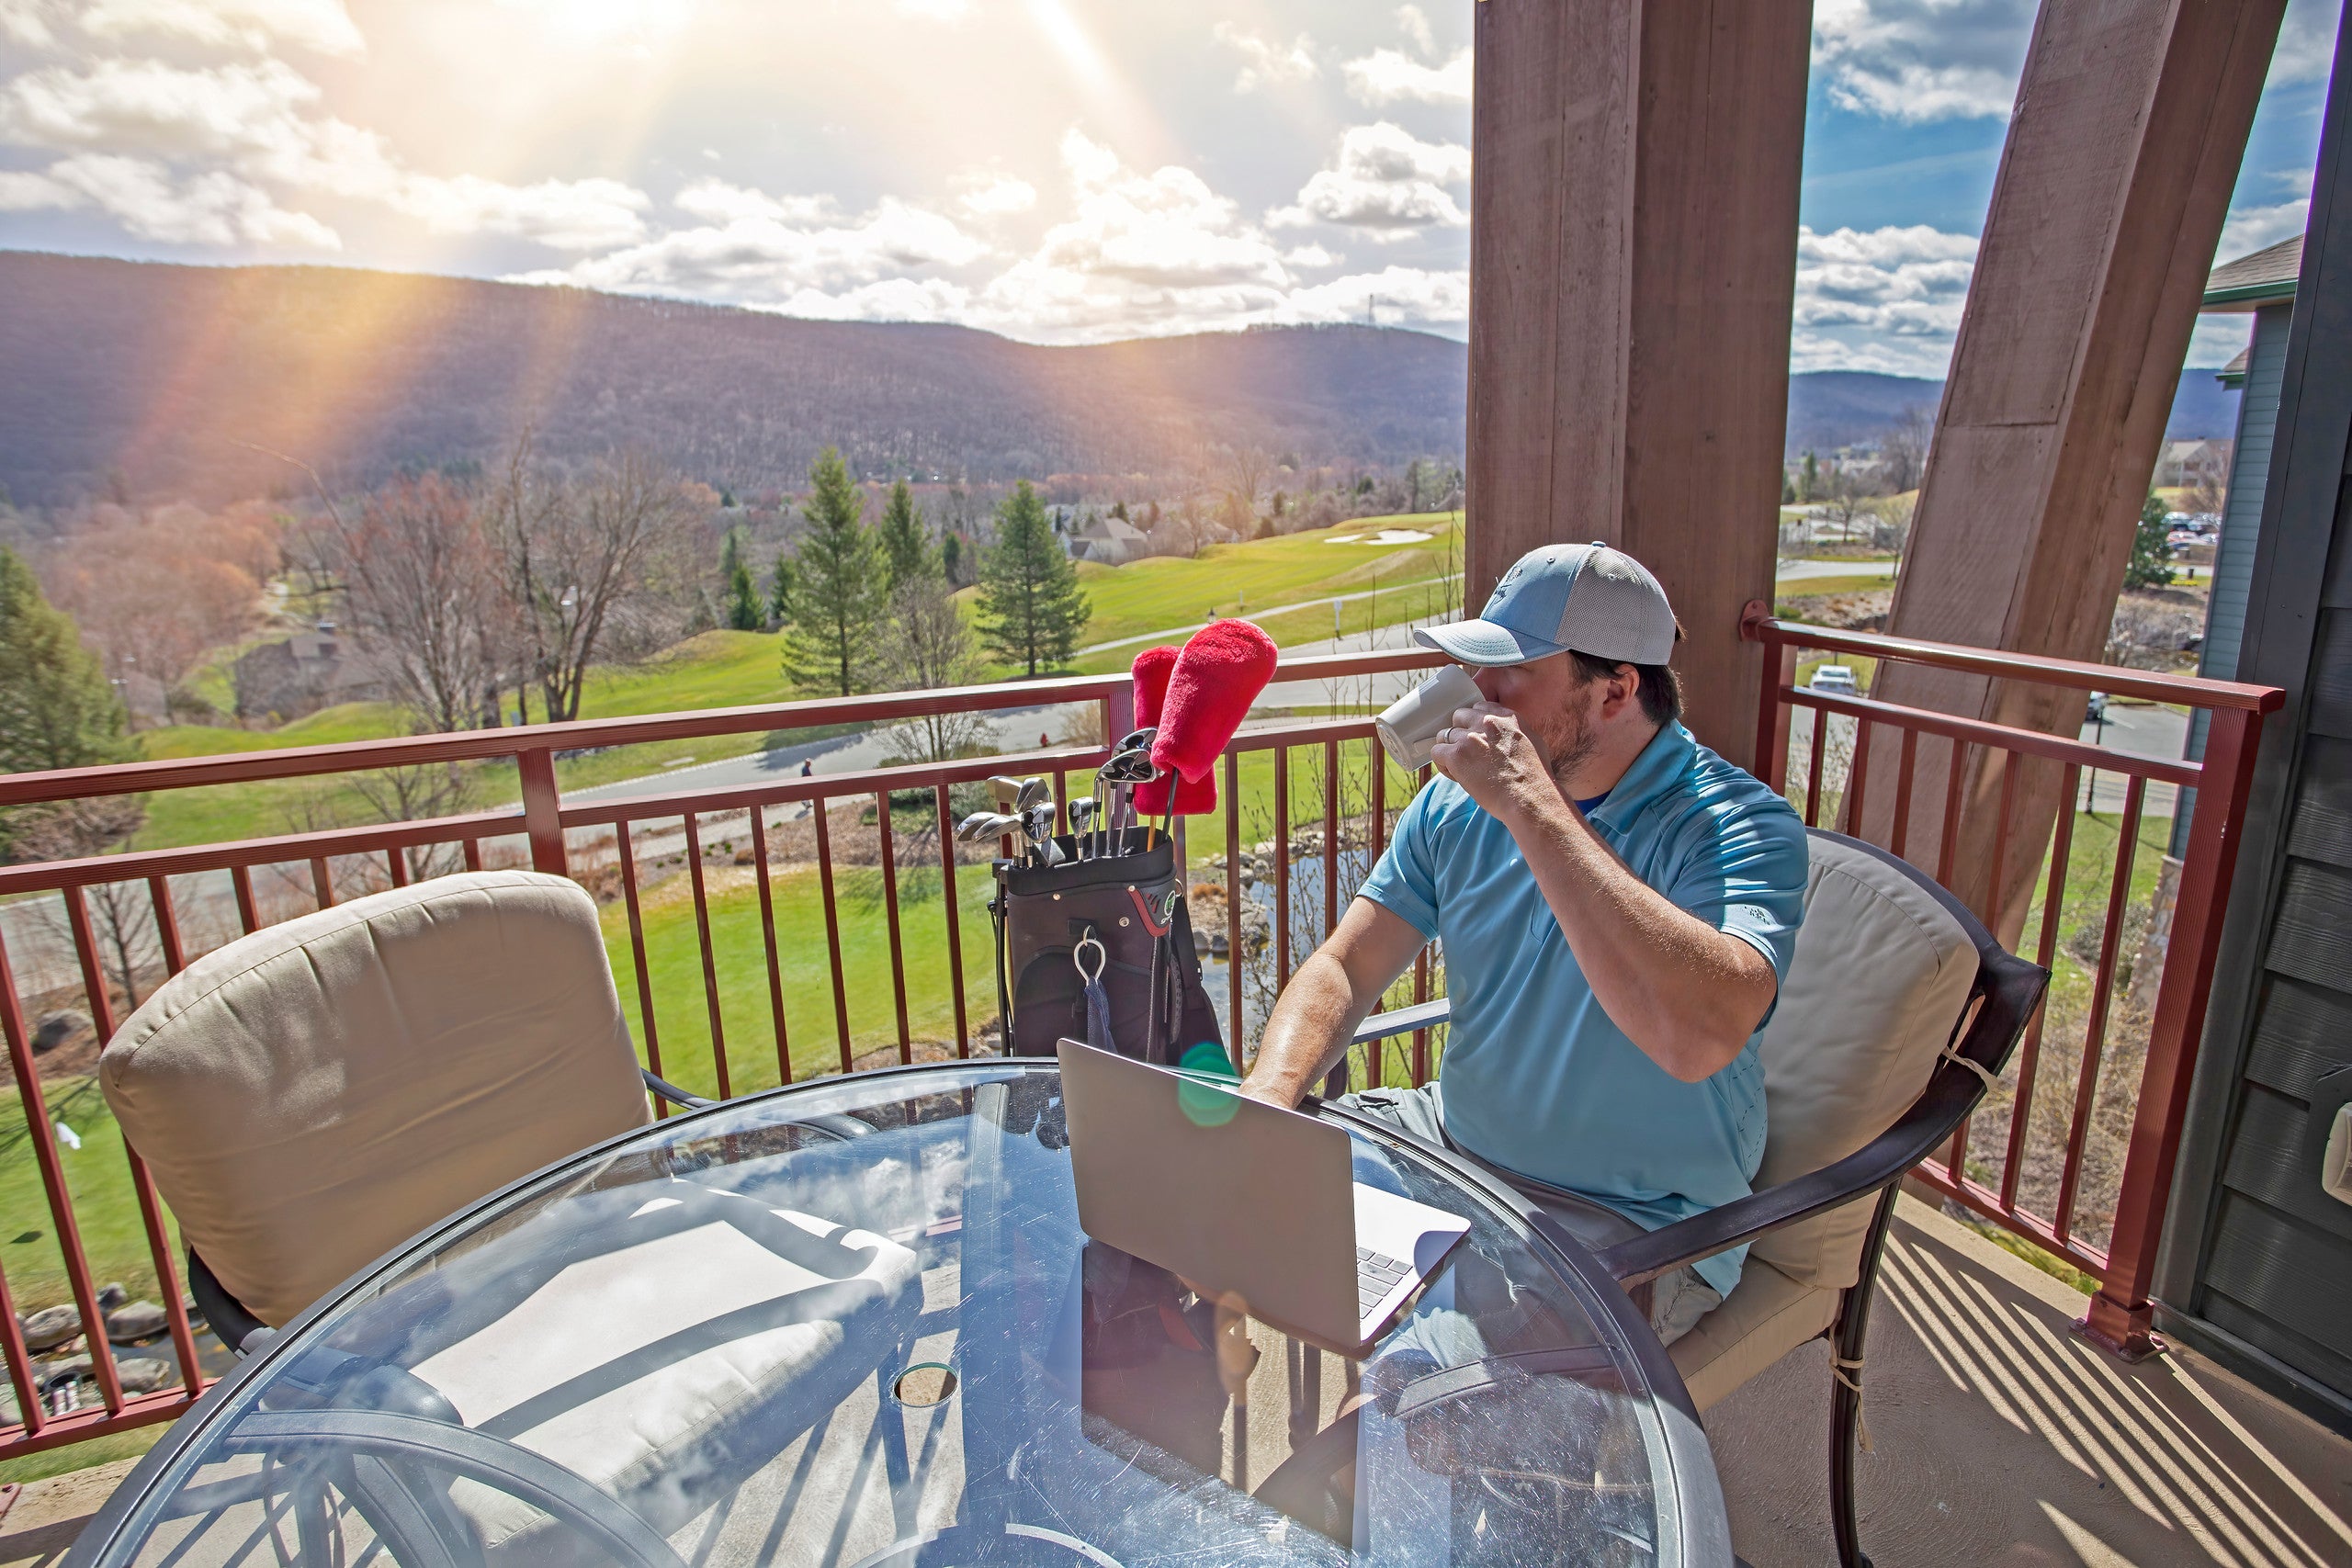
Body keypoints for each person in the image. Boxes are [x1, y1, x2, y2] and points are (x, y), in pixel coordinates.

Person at [1241, 542, 1809, 1343]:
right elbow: (1345, 963)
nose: (1480, 693)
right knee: (1222, 1224)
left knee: (1410, 1424)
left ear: (1616, 690)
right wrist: (1272, 1090)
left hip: (1625, 1223)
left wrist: (1532, 808)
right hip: (1446, 1148)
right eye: (1478, 665)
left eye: (1510, 670)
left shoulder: (1737, 826)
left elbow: (1702, 1036)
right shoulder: (1457, 806)